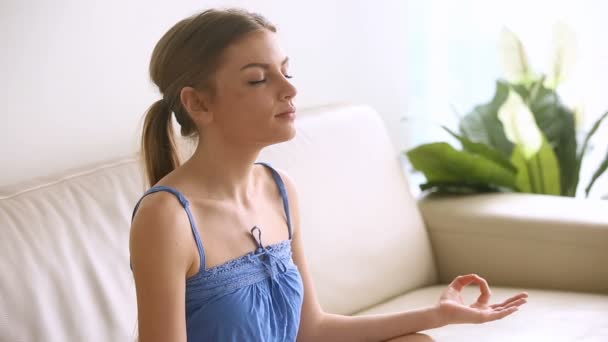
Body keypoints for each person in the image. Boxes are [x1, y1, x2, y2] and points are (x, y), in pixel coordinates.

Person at [129, 8, 528, 342]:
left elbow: (312, 329)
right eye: (258, 79)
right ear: (198, 103)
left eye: (286, 71)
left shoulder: (279, 190)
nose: (289, 89)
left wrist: (437, 315)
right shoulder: (167, 219)